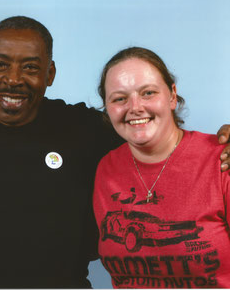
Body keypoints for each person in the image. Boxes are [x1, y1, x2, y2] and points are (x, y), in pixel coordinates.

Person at [0, 16, 230, 288]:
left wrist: (225, 139)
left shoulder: (85, 128)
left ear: (50, 73)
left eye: (31, 67)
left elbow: (153, 134)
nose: (14, 78)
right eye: (0, 64)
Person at [93, 47, 230, 288]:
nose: (135, 107)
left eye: (148, 93)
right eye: (119, 98)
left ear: (172, 96)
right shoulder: (106, 168)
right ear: (107, 107)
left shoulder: (221, 159)